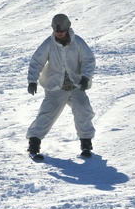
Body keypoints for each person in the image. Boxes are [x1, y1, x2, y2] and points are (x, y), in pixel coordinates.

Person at [26, 13, 96, 159]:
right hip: (56, 87)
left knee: (83, 109)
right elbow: (36, 61)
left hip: (75, 86)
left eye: (61, 32)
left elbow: (88, 60)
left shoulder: (78, 43)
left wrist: (85, 77)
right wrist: (32, 80)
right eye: (56, 32)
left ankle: (86, 144)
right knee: (47, 114)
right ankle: (34, 143)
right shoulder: (49, 44)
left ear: (67, 29)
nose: (59, 34)